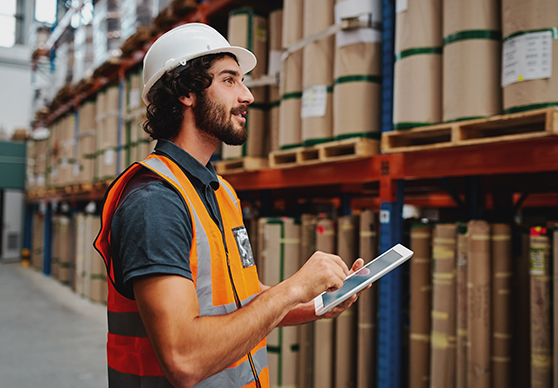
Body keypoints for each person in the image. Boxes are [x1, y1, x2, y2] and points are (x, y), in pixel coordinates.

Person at [94, 23, 367, 388]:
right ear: (187, 93)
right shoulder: (154, 202)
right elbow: (184, 359)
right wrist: (294, 287)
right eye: (229, 80)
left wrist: (316, 303)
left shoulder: (219, 191)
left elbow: (241, 299)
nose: (248, 95)